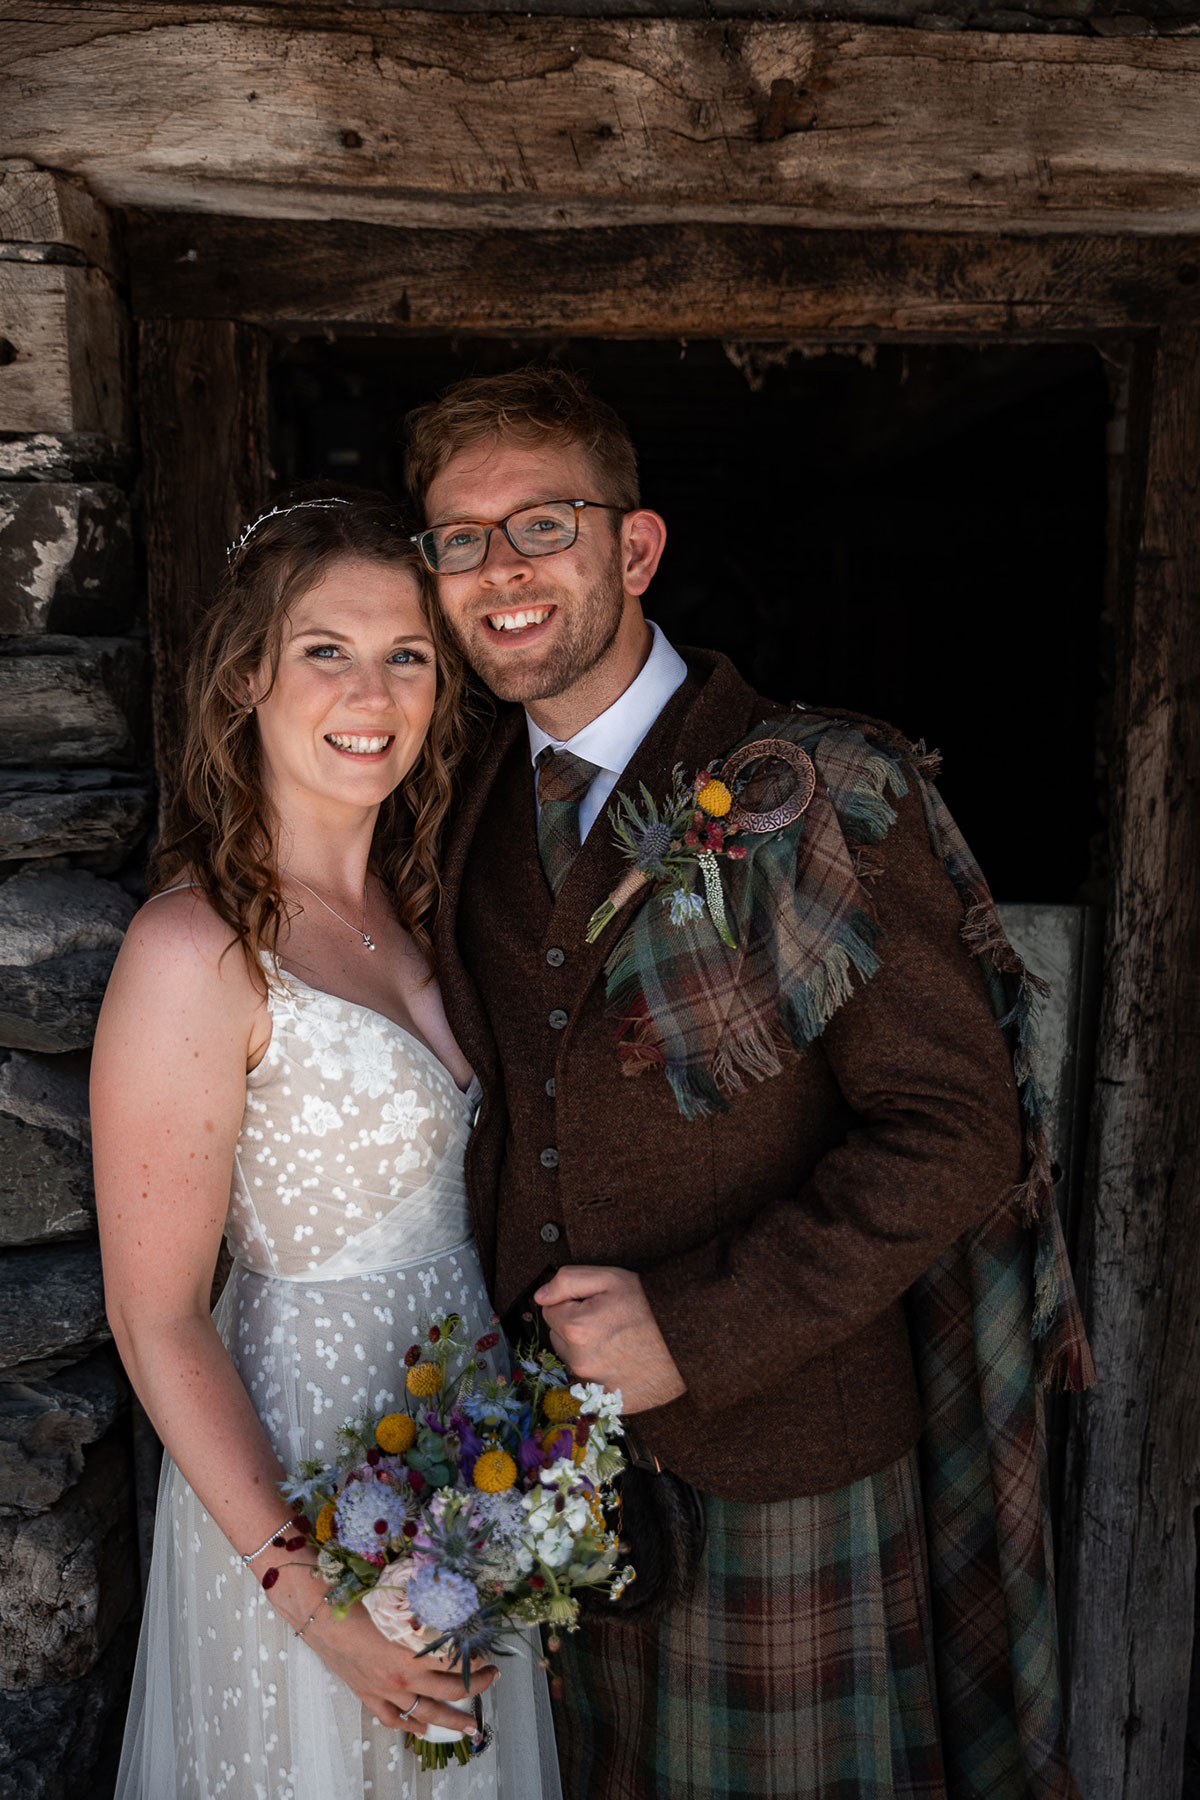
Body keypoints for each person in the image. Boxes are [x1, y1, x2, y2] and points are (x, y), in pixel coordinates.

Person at [405, 367, 1091, 1800]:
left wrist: (698, 1332)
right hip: (527, 1482)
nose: (499, 572)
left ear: (635, 548)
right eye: (459, 540)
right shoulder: (447, 801)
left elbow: (955, 1133)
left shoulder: (813, 784)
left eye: (541, 525)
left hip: (782, 1467)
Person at [92, 489, 562, 1800]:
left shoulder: (408, 920)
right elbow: (156, 1319)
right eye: (327, 652)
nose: (375, 691)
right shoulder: (192, 951)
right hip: (298, 1482)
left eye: (407, 655)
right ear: (247, 676)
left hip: (456, 1478)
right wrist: (318, 1610)